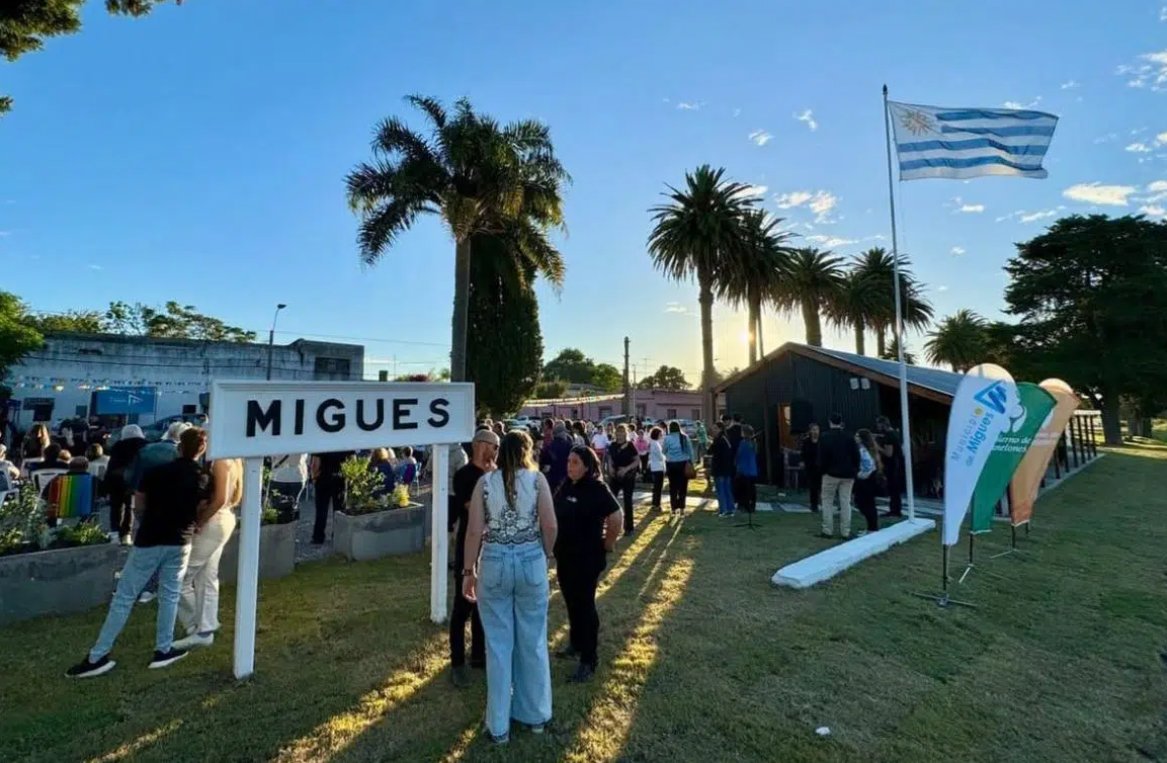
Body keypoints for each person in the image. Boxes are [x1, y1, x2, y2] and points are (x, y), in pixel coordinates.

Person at [66, 427, 210, 678]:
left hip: (151, 537)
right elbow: (201, 506)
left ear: (178, 446)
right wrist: (195, 523)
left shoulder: (156, 473)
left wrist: (145, 520)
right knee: (170, 595)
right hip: (181, 540)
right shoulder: (202, 477)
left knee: (125, 596)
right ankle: (162, 649)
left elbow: (139, 501)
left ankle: (98, 655)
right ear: (202, 451)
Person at [461, 430, 557, 745]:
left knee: (499, 647)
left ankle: (499, 725)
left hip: (496, 562)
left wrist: (467, 570)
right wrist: (547, 553)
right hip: (530, 559)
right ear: (527, 451)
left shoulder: (484, 484)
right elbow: (550, 524)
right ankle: (536, 715)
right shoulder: (537, 481)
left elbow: (473, 531)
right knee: (533, 640)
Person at [554, 446, 622, 683]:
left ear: (587, 465)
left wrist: (608, 543)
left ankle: (589, 659)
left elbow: (616, 516)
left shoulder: (597, 488)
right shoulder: (566, 485)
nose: (569, 466)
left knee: (585, 606)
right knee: (570, 601)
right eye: (568, 461)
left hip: (587, 558)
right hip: (565, 555)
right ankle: (576, 643)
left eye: (574, 462)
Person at [172, 453, 242, 650]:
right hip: (222, 518)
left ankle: (199, 627)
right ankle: (205, 624)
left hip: (214, 520)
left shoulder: (221, 461)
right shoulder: (232, 460)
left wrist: (201, 520)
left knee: (180, 578)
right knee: (207, 577)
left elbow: (220, 498)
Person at [448, 429, 499, 688]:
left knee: (484, 602)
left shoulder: (495, 475)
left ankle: (479, 655)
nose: (496, 452)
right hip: (469, 546)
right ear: (480, 446)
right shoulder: (465, 475)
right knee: (463, 605)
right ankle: (457, 662)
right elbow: (472, 507)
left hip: (491, 546)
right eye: (494, 446)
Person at [818, 414, 860, 539]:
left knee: (827, 502)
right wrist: (855, 470)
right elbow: (856, 456)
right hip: (848, 474)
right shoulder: (849, 437)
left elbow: (821, 457)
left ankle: (827, 530)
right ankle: (845, 531)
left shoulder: (825, 437)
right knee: (845, 502)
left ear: (830, 422)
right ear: (841, 423)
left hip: (830, 474)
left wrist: (823, 471)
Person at [105, 425, 148, 544]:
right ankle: (126, 534)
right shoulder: (144, 446)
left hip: (117, 480)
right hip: (135, 481)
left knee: (116, 506)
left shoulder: (118, 446)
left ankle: (114, 533)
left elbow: (111, 467)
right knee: (130, 506)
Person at [310, 450, 354, 544]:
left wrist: (314, 478)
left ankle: (318, 537)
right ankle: (338, 536)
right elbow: (353, 462)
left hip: (323, 479)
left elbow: (315, 464)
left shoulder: (321, 444)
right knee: (339, 510)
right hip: (340, 479)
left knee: (321, 510)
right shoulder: (347, 445)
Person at [605, 425, 639, 536]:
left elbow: (636, 461)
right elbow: (609, 457)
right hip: (615, 476)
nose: (620, 435)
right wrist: (609, 468)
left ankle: (629, 528)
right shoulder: (613, 445)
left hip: (628, 477)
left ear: (625, 433)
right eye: (618, 432)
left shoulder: (630, 446)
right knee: (611, 501)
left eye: (622, 432)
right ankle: (612, 525)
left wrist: (626, 469)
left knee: (627, 501)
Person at [662, 421, 694, 516]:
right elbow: (690, 451)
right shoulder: (684, 437)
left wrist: (669, 455)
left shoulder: (667, 438)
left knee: (673, 487)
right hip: (683, 463)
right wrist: (691, 462)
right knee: (683, 487)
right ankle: (682, 508)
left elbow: (663, 451)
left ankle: (673, 508)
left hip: (671, 464)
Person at [854, 429, 883, 535]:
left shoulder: (862, 450)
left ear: (862, 438)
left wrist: (859, 475)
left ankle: (872, 527)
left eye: (857, 436)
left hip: (866, 479)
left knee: (864, 503)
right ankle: (872, 526)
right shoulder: (870, 448)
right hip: (871, 477)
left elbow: (868, 465)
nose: (855, 438)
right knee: (869, 503)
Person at [875, 416, 904, 517]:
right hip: (896, 465)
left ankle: (895, 511)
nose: (877, 427)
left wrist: (877, 447)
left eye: (879, 424)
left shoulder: (889, 436)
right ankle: (895, 509)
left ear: (883, 424)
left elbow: (889, 453)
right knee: (894, 490)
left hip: (893, 466)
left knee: (893, 489)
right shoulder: (892, 434)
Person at [269, 452, 308, 521]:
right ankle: (291, 525)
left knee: (277, 507)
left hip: (278, 475)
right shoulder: (303, 441)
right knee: (293, 505)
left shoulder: (275, 440)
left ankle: (278, 525)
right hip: (298, 476)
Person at [709, 422, 736, 517]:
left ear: (720, 429)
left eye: (715, 429)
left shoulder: (719, 440)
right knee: (727, 489)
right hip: (727, 468)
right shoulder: (726, 438)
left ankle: (723, 510)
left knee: (721, 490)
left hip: (720, 469)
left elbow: (711, 451)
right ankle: (730, 509)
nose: (713, 430)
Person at [538, 421, 573, 493]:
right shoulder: (569, 446)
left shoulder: (549, 447)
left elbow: (544, 463)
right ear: (562, 434)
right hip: (566, 477)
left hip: (552, 478)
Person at [735, 425, 759, 514]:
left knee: (745, 489)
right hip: (752, 470)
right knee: (751, 489)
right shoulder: (753, 443)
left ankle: (745, 506)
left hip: (744, 469)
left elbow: (739, 455)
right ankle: (751, 506)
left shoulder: (744, 443)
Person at [801, 423, 822, 512]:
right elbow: (803, 453)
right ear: (810, 431)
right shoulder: (806, 441)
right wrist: (802, 461)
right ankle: (814, 505)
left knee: (821, 486)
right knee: (813, 487)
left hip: (821, 466)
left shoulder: (822, 441)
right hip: (810, 466)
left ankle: (823, 502)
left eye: (816, 429)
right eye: (813, 430)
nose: (815, 432)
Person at [647, 426, 666, 510]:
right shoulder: (655, 444)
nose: (661, 435)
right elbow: (660, 456)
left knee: (656, 487)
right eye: (660, 434)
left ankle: (654, 503)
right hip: (658, 467)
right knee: (658, 487)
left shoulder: (654, 443)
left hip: (655, 467)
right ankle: (657, 504)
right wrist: (665, 457)